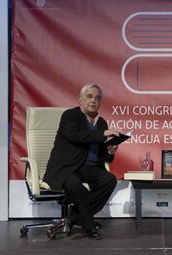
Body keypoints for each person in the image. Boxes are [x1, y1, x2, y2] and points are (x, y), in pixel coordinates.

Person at [43, 83, 121, 239]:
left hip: (91, 168)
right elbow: (76, 135)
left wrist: (110, 153)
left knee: (110, 180)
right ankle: (88, 225)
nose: (93, 101)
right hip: (69, 167)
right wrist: (103, 133)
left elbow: (102, 154)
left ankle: (74, 217)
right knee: (74, 184)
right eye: (89, 96)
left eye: (97, 98)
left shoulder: (101, 122)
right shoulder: (70, 115)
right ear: (80, 100)